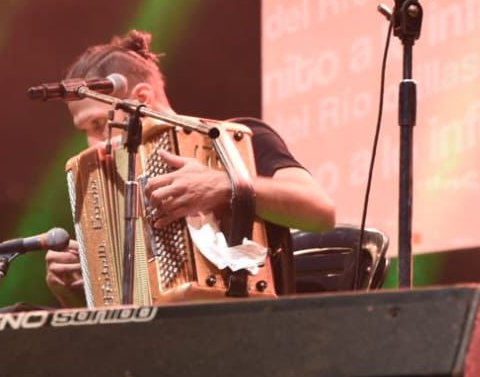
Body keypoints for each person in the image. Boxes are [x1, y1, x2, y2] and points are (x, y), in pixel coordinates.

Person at [44, 30, 335, 304]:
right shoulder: (111, 189)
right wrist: (75, 291)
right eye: (84, 131)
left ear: (141, 100)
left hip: (248, 327)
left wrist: (224, 185)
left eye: (98, 124)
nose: (93, 144)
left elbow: (320, 212)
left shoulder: (234, 139)